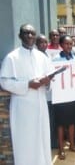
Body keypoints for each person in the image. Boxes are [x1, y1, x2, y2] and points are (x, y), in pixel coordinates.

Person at [0, 24, 53, 165]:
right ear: (20, 36)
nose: (29, 36)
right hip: (23, 107)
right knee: (25, 140)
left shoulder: (42, 57)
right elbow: (4, 82)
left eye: (32, 33)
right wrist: (28, 84)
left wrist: (47, 82)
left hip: (41, 105)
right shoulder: (12, 57)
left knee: (41, 138)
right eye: (26, 33)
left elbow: (50, 77)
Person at [52, 35, 75, 160]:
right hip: (61, 97)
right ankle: (61, 149)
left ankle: (72, 145)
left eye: (71, 44)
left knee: (71, 122)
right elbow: (53, 76)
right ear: (61, 44)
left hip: (72, 96)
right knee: (60, 124)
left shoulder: (74, 57)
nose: (69, 46)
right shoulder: (56, 59)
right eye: (66, 44)